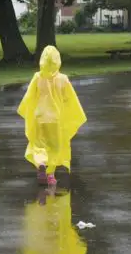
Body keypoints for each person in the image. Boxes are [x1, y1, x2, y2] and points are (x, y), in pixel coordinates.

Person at [17, 45, 86, 186]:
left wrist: (26, 110)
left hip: (40, 117)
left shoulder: (37, 77)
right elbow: (70, 99)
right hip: (56, 120)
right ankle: (50, 174)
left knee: (39, 145)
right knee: (54, 147)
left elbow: (29, 97)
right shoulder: (63, 79)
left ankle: (41, 163)